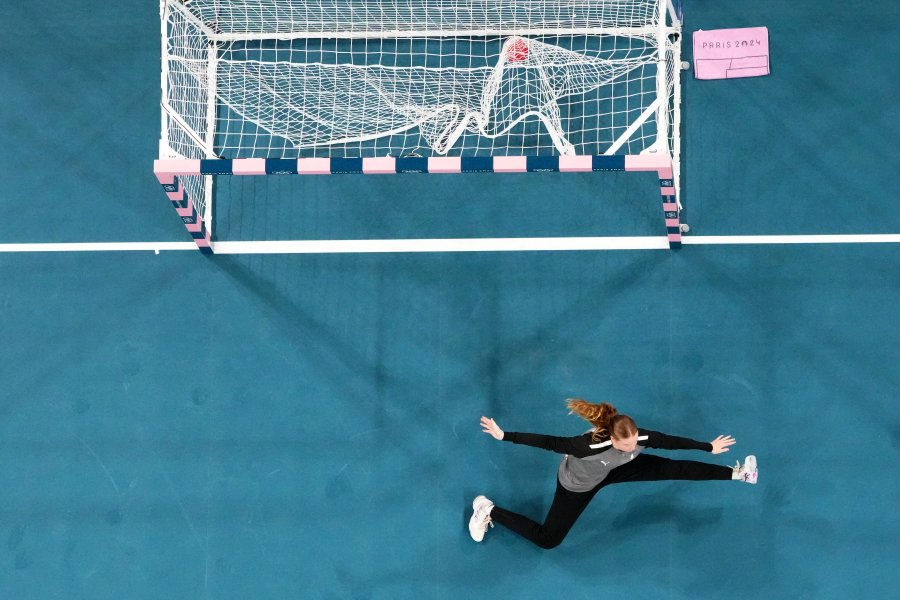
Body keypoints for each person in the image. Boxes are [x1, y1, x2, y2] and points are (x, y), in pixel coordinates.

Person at [468, 399, 758, 549]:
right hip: (578, 484)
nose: (633, 446)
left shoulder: (637, 438)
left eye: (635, 442)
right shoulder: (586, 446)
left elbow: (670, 442)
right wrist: (504, 435)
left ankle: (739, 474)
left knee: (674, 467)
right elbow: (549, 442)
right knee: (548, 539)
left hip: (614, 471)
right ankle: (487, 509)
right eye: (627, 444)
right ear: (613, 439)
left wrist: (708, 447)